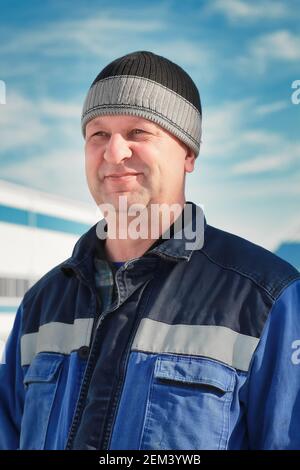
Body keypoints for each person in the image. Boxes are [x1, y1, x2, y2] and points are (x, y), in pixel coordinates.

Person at [0, 50, 300, 451]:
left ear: (189, 154)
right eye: (98, 134)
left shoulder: (267, 298)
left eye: (139, 133)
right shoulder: (41, 304)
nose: (113, 153)